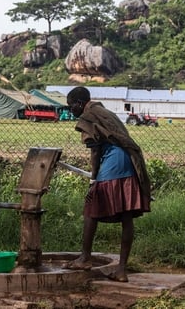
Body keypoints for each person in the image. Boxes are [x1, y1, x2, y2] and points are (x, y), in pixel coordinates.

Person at [64, 86, 151, 282]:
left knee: (90, 208)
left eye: (71, 106)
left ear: (79, 103)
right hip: (130, 161)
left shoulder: (89, 117)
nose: (71, 110)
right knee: (126, 216)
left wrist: (93, 179)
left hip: (113, 162)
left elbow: (95, 152)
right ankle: (121, 270)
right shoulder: (106, 112)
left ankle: (85, 258)